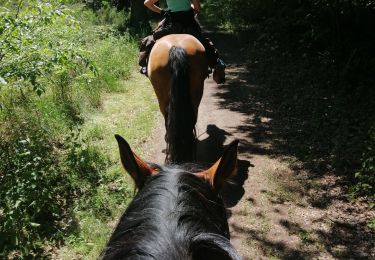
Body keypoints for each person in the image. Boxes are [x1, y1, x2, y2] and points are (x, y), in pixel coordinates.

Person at [139, 0, 226, 84]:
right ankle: (216, 63)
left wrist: (162, 12)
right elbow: (198, 8)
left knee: (150, 40)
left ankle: (145, 66)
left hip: (171, 26)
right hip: (189, 25)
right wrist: (191, 7)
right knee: (204, 43)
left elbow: (147, 3)